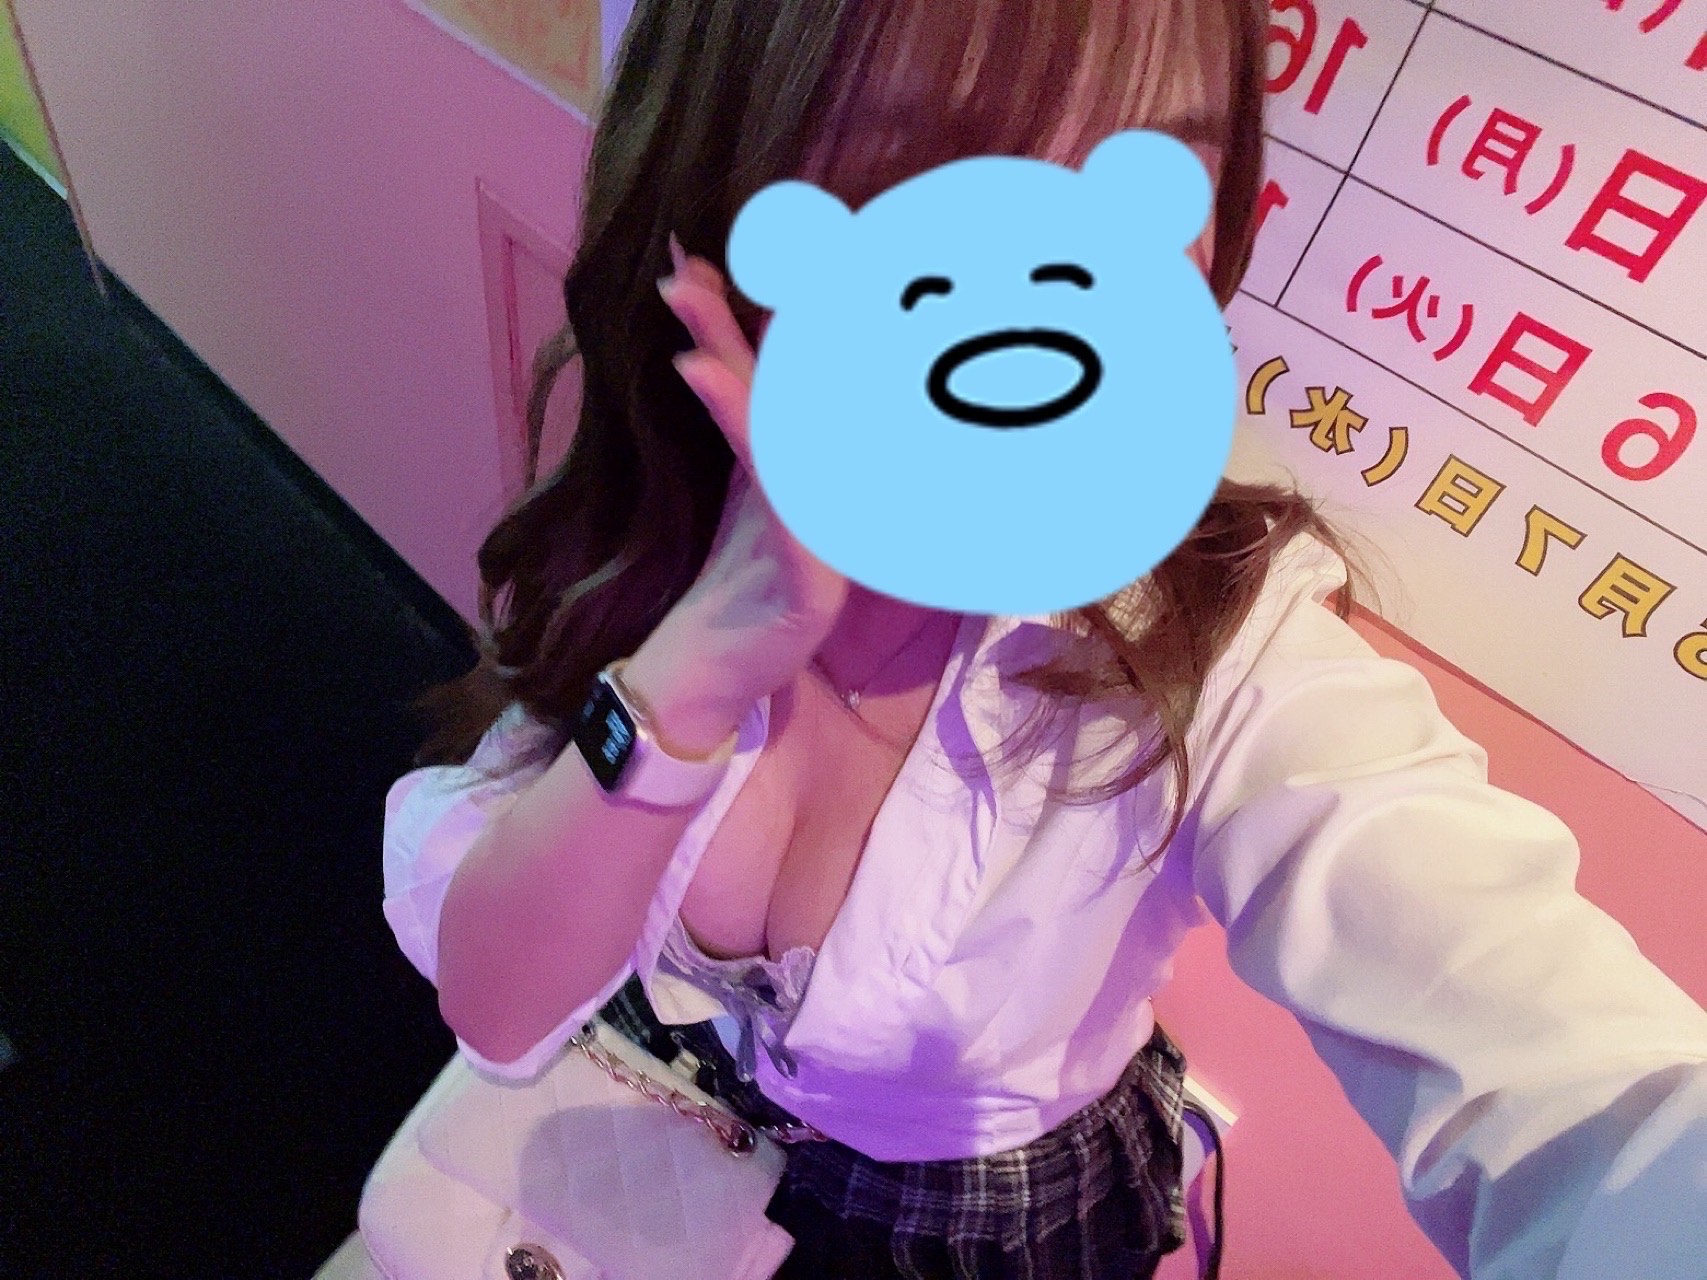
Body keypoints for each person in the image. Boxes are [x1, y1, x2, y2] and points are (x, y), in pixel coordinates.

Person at [381, 1, 1707, 1275]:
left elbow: (1561, 1071)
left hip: (979, 1231)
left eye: (1145, 185)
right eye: (924, 175)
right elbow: (495, 1005)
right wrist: (698, 663)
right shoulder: (684, 494)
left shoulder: (1221, 646)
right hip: (652, 1138)